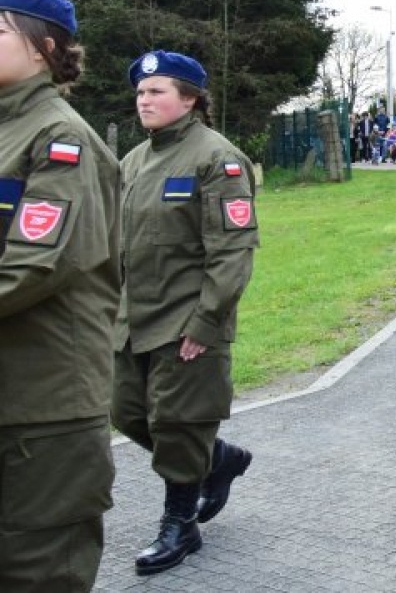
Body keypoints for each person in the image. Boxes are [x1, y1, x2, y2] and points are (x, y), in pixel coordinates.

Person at [115, 50, 258, 575]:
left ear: (191, 99)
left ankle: (180, 526)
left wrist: (207, 321)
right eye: (140, 92)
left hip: (187, 318)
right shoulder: (132, 162)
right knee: (125, 411)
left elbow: (233, 250)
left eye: (156, 91)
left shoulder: (216, 158)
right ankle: (218, 459)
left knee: (176, 424)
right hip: (135, 318)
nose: (144, 100)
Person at [0, 0, 120, 592]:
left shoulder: (60, 139)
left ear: (44, 48)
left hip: (40, 415)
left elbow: (34, 265)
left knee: (36, 573)